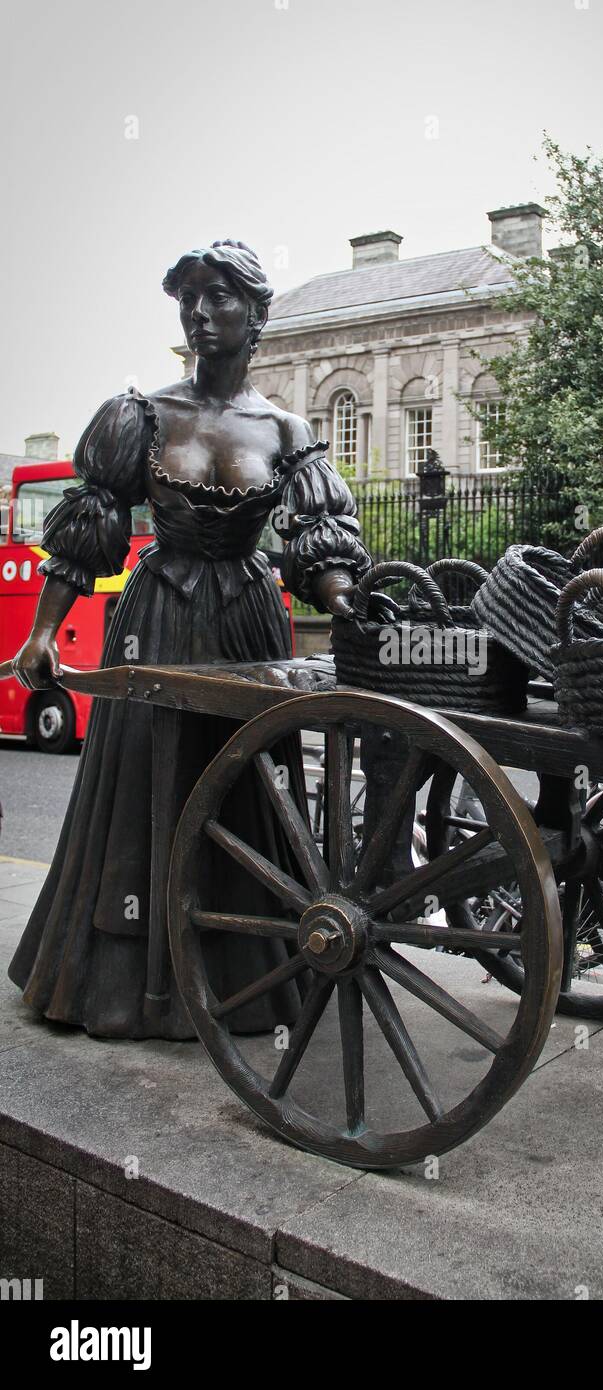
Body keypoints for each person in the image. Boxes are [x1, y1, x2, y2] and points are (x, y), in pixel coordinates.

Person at [6, 239, 371, 1039]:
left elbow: (319, 537)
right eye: (188, 300)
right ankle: (127, 985)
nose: (200, 315)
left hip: (248, 619)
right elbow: (88, 529)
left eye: (220, 298)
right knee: (145, 786)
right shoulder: (141, 415)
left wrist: (341, 594)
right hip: (159, 622)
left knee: (243, 789)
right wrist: (40, 632)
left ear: (257, 315)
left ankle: (245, 973)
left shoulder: (284, 427)